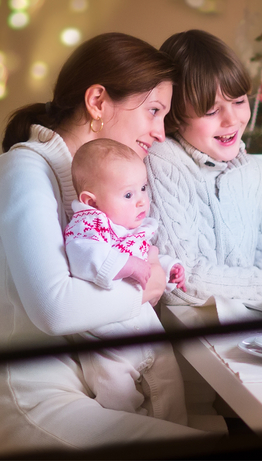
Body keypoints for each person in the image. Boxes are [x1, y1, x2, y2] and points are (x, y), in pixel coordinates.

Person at [0, 33, 224, 456]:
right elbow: (56, 307)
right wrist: (146, 286)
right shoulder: (22, 173)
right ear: (98, 102)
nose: (160, 133)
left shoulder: (85, 190)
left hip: (86, 396)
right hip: (31, 410)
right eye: (154, 111)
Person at [146, 30, 262, 305]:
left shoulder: (259, 176)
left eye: (239, 101)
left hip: (249, 325)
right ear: (174, 115)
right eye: (211, 111)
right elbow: (181, 283)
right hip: (188, 331)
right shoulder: (163, 160)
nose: (232, 120)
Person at [64, 138, 186, 419]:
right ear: (91, 201)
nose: (142, 200)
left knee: (171, 388)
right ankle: (132, 437)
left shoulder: (133, 228)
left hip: (148, 332)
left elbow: (147, 260)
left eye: (143, 188)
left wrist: (168, 269)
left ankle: (175, 432)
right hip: (107, 344)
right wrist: (126, 265)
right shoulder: (88, 227)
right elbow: (83, 259)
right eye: (128, 195)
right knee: (118, 400)